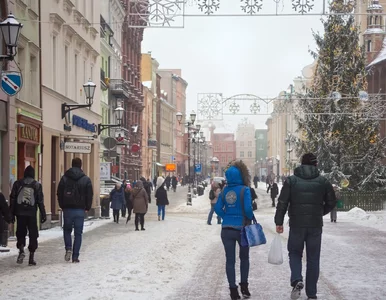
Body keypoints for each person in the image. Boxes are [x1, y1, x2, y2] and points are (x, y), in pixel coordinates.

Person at [274, 153, 336, 300]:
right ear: (316, 165)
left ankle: (297, 279)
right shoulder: (323, 182)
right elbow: (331, 202)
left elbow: (282, 202)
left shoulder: (291, 181)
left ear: (301, 164)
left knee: (295, 253)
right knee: (313, 258)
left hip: (296, 224)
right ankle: (312, 293)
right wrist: (320, 212)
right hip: (315, 225)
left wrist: (279, 222)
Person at [215, 160, 254, 300]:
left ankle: (233, 290)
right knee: (244, 258)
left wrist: (227, 216)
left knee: (229, 260)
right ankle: (244, 286)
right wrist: (248, 216)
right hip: (242, 229)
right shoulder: (245, 189)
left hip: (226, 229)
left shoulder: (225, 190)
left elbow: (217, 208)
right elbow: (248, 210)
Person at [57, 158, 93, 263]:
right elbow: (89, 194)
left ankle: (68, 248)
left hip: (67, 209)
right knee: (78, 233)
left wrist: (62, 205)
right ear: (81, 165)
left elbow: (59, 193)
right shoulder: (86, 179)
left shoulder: (64, 178)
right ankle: (75, 256)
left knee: (67, 230)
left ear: (71, 165)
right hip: (80, 210)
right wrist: (87, 207)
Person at [9, 166, 46, 266]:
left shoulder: (17, 183)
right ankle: (31, 258)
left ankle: (21, 249)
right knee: (33, 234)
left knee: (21, 232)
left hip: (20, 213)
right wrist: (43, 213)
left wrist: (11, 213)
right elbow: (40, 201)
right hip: (31, 213)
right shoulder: (37, 185)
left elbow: (12, 199)